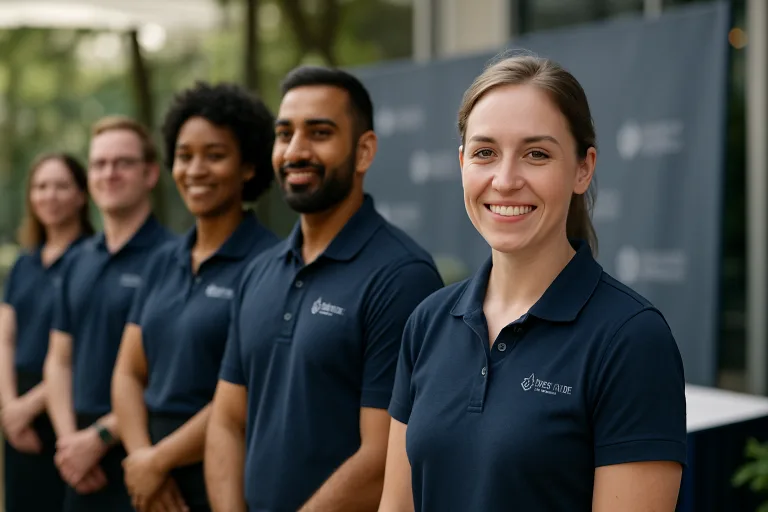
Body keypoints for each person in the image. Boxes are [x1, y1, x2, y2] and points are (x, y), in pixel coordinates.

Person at [377, 54, 687, 512]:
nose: (504, 180)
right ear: (462, 164)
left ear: (583, 168)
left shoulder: (632, 339)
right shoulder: (427, 323)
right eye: (485, 153)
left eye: (536, 154)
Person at [204, 66, 445, 512]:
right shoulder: (259, 272)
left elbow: (384, 458)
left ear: (364, 151)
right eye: (284, 133)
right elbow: (227, 421)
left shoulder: (402, 277)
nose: (295, 151)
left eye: (319, 133)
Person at [111, 82, 279, 512]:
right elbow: (129, 372)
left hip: (222, 471)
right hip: (146, 476)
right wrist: (140, 458)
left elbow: (249, 394)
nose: (196, 169)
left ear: (248, 167)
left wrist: (159, 460)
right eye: (185, 156)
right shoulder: (162, 260)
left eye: (215, 155)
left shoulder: (270, 265)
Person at [43, 116, 175, 512]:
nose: (109, 173)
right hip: (77, 464)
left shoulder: (173, 259)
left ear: (150, 173)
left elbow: (172, 375)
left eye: (123, 163)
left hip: (145, 455)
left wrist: (98, 438)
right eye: (99, 164)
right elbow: (59, 360)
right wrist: (70, 445)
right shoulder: (77, 259)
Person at [0, 153, 95, 512]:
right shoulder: (24, 262)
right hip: (16, 415)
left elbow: (82, 348)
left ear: (81, 195)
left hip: (66, 407)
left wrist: (30, 406)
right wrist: (10, 408)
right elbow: (5, 337)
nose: (49, 195)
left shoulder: (91, 259)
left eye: (60, 186)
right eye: (41, 187)